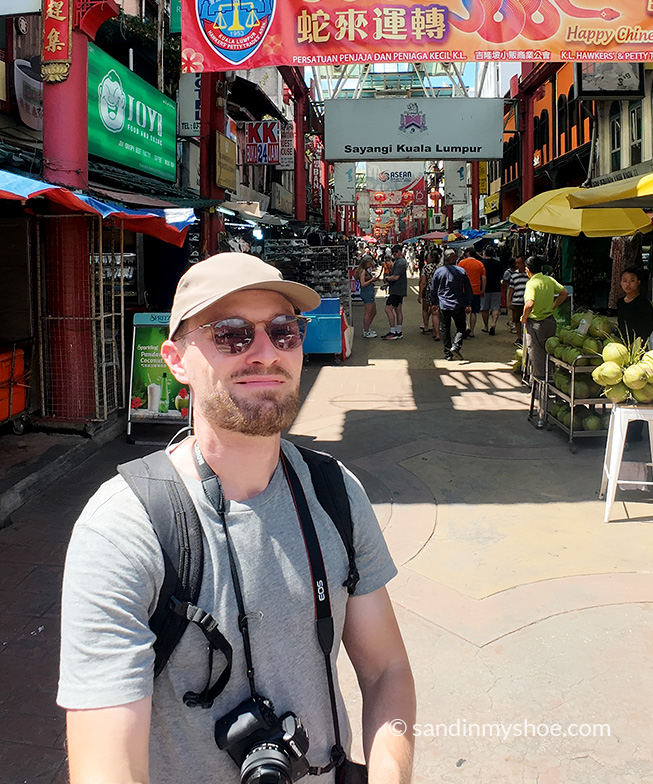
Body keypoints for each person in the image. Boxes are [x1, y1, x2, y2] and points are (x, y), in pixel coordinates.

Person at [58, 252, 415, 784]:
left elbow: (387, 669)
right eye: (230, 334)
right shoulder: (124, 530)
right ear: (176, 360)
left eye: (283, 331)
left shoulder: (335, 492)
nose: (265, 353)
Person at [520, 255, 569, 389]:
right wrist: (553, 305)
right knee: (549, 351)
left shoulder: (531, 283)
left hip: (535, 323)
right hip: (550, 322)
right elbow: (564, 292)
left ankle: (538, 384)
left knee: (536, 353)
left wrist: (524, 317)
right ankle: (551, 378)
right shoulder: (549, 280)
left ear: (527, 270)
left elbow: (529, 304)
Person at [427, 249, 474, 362]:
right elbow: (468, 289)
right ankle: (456, 346)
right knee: (461, 327)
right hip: (458, 304)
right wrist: (468, 303)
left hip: (444, 305)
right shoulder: (461, 271)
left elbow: (433, 288)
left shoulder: (439, 272)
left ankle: (448, 354)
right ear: (454, 258)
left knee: (445, 329)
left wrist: (434, 302)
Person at [615, 267, 653, 346]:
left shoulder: (644, 303)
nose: (628, 284)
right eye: (625, 281)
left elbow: (649, 327)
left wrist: (638, 343)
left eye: (632, 281)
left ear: (638, 282)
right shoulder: (620, 302)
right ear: (620, 283)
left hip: (637, 346)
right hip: (621, 345)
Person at [457, 247, 485, 338]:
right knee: (474, 311)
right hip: (476, 290)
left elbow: (457, 276)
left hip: (464, 290)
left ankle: (465, 327)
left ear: (468, 253)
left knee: (463, 311)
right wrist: (483, 289)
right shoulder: (480, 264)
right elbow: (484, 278)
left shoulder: (462, 263)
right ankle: (472, 331)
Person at [383, 244, 408, 340]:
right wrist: (387, 284)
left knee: (388, 309)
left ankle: (393, 331)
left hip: (396, 291)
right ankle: (398, 331)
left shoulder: (399, 263)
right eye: (393, 252)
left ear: (400, 251)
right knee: (398, 310)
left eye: (396, 251)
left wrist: (387, 279)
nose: (394, 253)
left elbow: (395, 277)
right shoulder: (400, 262)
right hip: (398, 289)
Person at [418, 247, 442, 341]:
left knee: (425, 309)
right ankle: (437, 329)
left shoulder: (426, 267)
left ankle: (426, 326)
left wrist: (420, 294)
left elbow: (423, 282)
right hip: (439, 291)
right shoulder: (440, 267)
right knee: (436, 311)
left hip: (428, 291)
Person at [478, 246, 504, 336]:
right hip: (496, 287)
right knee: (495, 307)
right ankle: (493, 324)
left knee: (485, 308)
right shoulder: (498, 263)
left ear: (485, 253)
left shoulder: (481, 263)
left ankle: (486, 326)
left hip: (484, 288)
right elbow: (502, 274)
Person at [503, 256, 529, 340]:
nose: (517, 265)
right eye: (516, 263)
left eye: (519, 263)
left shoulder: (529, 275)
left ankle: (526, 337)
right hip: (517, 301)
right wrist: (509, 301)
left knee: (527, 321)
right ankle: (519, 337)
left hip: (527, 302)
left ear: (523, 263)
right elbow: (511, 289)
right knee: (517, 320)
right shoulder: (514, 275)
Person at [358, 255, 379, 338]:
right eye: (370, 263)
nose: (371, 265)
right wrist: (372, 280)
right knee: (368, 312)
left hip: (369, 292)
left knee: (373, 311)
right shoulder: (363, 271)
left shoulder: (365, 270)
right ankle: (366, 331)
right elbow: (363, 284)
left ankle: (367, 328)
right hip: (367, 293)